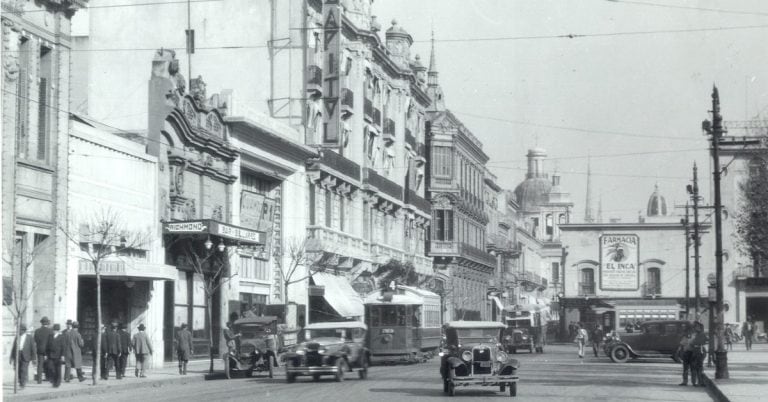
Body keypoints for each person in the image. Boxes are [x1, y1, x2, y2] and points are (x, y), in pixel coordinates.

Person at [10, 324, 37, 389]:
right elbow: (13, 347)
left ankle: (22, 384)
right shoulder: (17, 337)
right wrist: (11, 357)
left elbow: (33, 348)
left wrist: (34, 358)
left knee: (23, 369)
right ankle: (20, 381)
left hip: (26, 355)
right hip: (18, 355)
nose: (18, 332)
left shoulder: (29, 337)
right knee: (18, 369)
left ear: (24, 331)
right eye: (18, 330)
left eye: (20, 330)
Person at [34, 316, 52, 384]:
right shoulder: (50, 331)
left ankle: (39, 380)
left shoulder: (37, 331)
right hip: (48, 350)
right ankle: (48, 378)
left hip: (39, 350)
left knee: (40, 365)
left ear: (41, 323)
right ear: (47, 323)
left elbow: (35, 340)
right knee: (48, 364)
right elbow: (51, 342)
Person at [689, 321, 708, 387]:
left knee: (699, 367)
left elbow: (703, 343)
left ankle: (700, 382)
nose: (695, 328)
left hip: (700, 352)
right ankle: (696, 382)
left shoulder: (701, 334)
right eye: (695, 327)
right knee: (695, 367)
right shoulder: (695, 334)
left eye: (697, 327)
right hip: (695, 352)